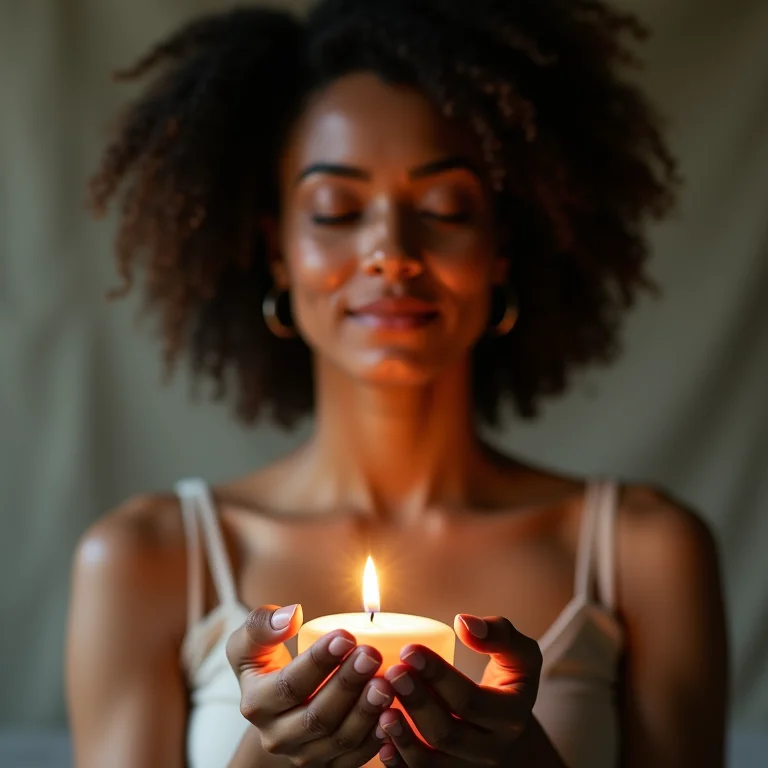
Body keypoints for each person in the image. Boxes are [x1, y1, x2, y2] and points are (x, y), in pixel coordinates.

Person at [65, 1, 729, 767]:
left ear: (500, 248)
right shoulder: (146, 560)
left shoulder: (645, 553)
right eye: (336, 210)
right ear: (278, 251)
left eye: (445, 208)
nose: (391, 250)